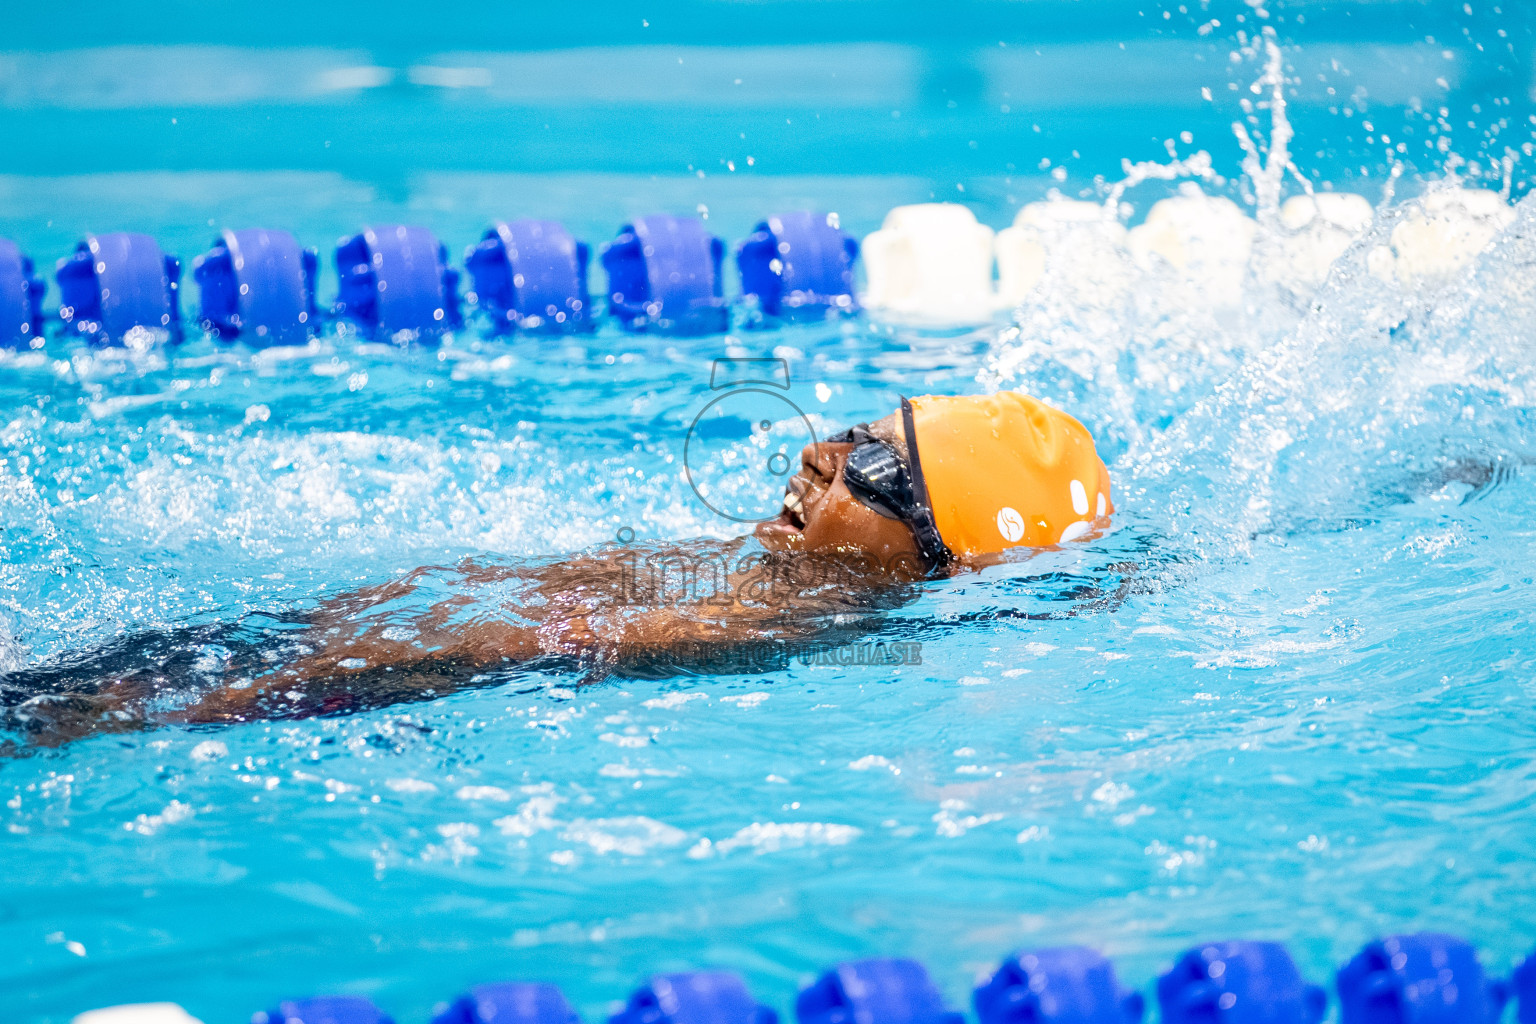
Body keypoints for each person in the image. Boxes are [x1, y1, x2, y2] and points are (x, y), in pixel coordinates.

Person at [0, 392, 1113, 747]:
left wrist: (211, 699)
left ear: (937, 553)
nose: (818, 451)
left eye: (869, 460)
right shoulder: (739, 573)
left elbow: (474, 656)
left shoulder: (744, 625)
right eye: (846, 425)